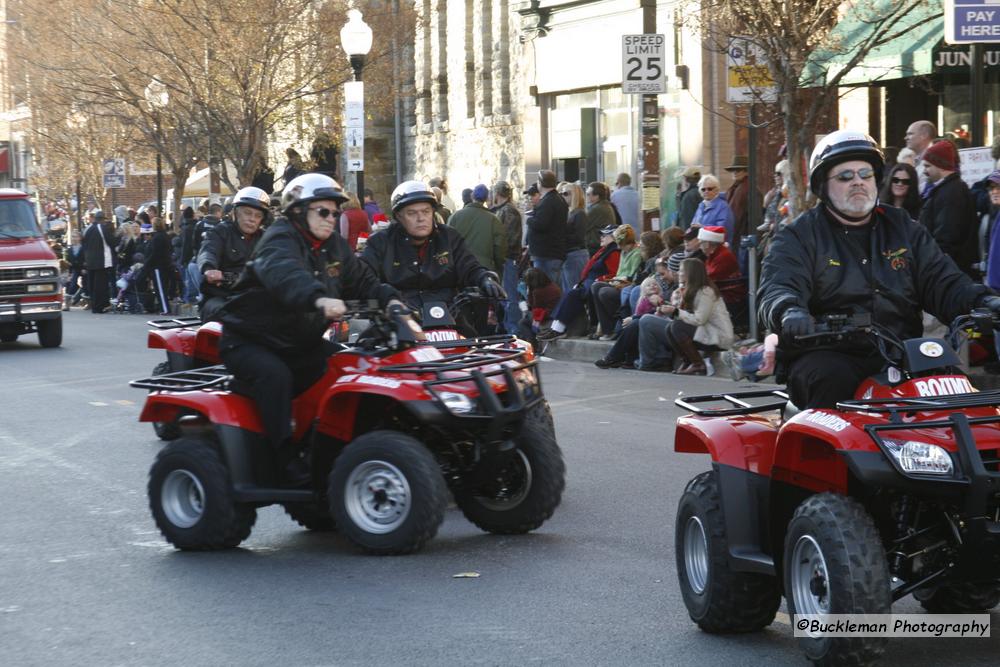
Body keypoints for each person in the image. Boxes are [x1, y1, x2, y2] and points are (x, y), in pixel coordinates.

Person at [758, 129, 999, 409]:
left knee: (956, 390)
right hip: (829, 353)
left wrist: (984, 301)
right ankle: (833, 454)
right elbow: (778, 285)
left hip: (902, 351)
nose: (858, 182)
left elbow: (943, 281)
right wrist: (790, 310)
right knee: (829, 378)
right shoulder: (799, 235)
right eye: (845, 177)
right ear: (823, 185)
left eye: (865, 174)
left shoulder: (903, 228)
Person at [215, 173, 401, 483]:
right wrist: (318, 298)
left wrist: (393, 302)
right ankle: (283, 459)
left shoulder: (334, 246)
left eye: (335, 212)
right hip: (251, 341)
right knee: (275, 376)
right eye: (323, 211)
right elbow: (284, 273)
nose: (331, 218)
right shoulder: (278, 238)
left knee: (348, 365)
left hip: (300, 341)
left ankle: (330, 446)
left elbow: (363, 279)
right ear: (299, 211)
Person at [360, 180, 505, 325]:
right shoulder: (380, 242)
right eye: (412, 213)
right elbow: (364, 278)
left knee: (479, 343)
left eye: (426, 211)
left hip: (450, 318)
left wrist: (485, 278)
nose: (421, 218)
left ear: (433, 212)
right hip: (399, 321)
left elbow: (469, 266)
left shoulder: (449, 237)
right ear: (398, 216)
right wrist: (387, 299)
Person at [638, 257, 734, 374]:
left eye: (682, 270)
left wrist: (675, 312)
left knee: (677, 326)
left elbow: (699, 320)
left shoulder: (705, 292)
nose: (679, 273)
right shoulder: (690, 289)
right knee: (670, 327)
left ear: (691, 273)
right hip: (705, 331)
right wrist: (672, 306)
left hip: (718, 336)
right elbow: (686, 315)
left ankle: (698, 364)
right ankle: (688, 361)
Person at [198, 186, 270, 321]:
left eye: (258, 215)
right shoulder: (220, 232)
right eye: (247, 213)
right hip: (221, 296)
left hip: (254, 298)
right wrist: (209, 268)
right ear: (236, 213)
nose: (252, 219)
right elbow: (208, 250)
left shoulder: (267, 239)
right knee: (231, 314)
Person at [536, 225, 621, 341]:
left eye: (605, 235)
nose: (602, 237)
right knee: (570, 294)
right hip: (588, 285)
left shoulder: (614, 252)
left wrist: (599, 280)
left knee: (571, 294)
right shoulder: (604, 250)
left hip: (596, 286)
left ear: (614, 237)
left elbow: (614, 273)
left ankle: (558, 330)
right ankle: (556, 329)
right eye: (602, 234)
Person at [918, 139, 980, 277]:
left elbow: (947, 237)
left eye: (928, 166)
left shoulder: (951, 193)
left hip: (948, 271)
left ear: (940, 165)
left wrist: (933, 268)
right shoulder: (947, 190)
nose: (925, 171)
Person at [589, 224, 641, 340]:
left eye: (620, 243)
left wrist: (616, 281)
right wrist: (614, 281)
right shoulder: (623, 252)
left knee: (604, 292)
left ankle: (614, 324)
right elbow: (619, 272)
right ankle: (606, 328)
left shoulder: (637, 253)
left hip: (626, 285)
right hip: (618, 283)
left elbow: (631, 276)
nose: (618, 246)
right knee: (595, 286)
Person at [447, 183, 505, 273]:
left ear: (472, 196)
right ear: (486, 198)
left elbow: (447, 242)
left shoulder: (455, 216)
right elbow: (499, 248)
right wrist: (498, 266)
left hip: (460, 268)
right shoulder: (494, 220)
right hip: (484, 269)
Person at [490, 180, 523, 335]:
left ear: (497, 193)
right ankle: (505, 326)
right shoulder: (501, 210)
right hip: (504, 258)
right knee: (504, 296)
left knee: (510, 296)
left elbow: (508, 238)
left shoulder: (509, 211)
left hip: (508, 258)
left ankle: (513, 330)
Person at [527, 170, 568, 284]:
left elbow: (541, 224)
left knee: (545, 289)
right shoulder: (558, 199)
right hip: (552, 253)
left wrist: (529, 219)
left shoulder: (548, 201)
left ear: (540, 183)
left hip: (546, 254)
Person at [81, 210, 114, 313]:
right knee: (101, 285)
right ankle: (99, 306)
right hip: (102, 261)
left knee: (92, 285)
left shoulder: (88, 229)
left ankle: (95, 305)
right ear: (102, 220)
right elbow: (111, 242)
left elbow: (84, 244)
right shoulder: (102, 228)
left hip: (90, 261)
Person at [560, 182, 590, 294]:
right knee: (568, 290)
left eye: (565, 193)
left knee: (574, 290)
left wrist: (561, 236)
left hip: (576, 255)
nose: (562, 196)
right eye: (561, 193)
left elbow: (579, 237)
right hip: (569, 254)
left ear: (574, 195)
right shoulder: (570, 212)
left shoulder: (579, 213)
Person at [143, 217, 174, 315]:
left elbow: (154, 254)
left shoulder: (157, 238)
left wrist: (147, 264)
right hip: (166, 264)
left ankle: (165, 309)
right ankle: (164, 308)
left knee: (160, 288)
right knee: (163, 287)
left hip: (158, 267)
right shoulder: (165, 236)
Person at [691, 174, 735, 240]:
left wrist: (703, 228)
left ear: (717, 190)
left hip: (716, 247)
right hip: (702, 246)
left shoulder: (723, 207)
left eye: (710, 189)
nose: (706, 191)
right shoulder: (701, 206)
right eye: (703, 189)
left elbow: (724, 230)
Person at [904, 120, 936, 191]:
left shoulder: (935, 160)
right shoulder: (912, 160)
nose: (906, 138)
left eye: (910, 134)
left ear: (924, 135)